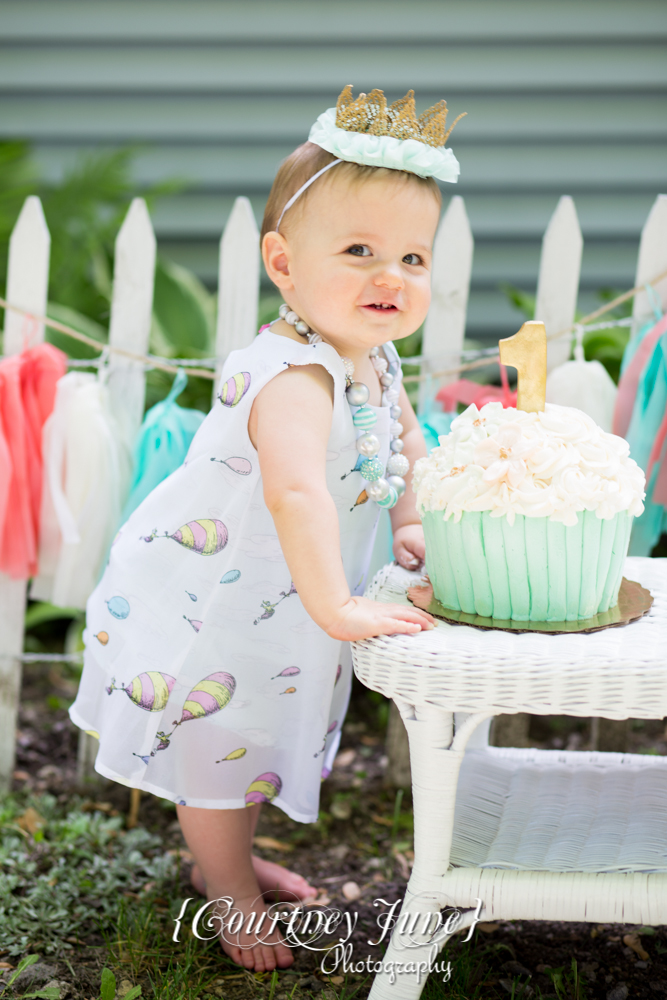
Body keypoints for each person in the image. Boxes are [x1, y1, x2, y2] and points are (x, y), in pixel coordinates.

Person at [69, 85, 465, 972]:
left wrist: (410, 519)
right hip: (217, 600)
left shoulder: (370, 359)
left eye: (410, 255)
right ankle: (229, 893)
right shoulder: (290, 375)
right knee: (217, 742)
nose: (388, 275)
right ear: (283, 263)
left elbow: (402, 438)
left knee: (249, 733)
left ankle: (231, 856)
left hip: (280, 599)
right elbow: (295, 494)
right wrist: (334, 605)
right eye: (358, 250)